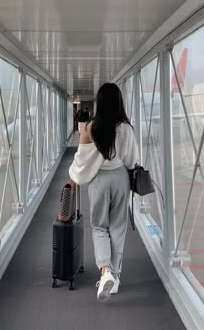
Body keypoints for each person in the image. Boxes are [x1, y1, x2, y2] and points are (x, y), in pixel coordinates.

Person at [69, 83, 139, 303]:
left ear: (99, 103)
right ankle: (115, 279)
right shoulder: (126, 128)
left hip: (99, 180)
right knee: (118, 227)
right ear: (119, 102)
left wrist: (74, 175)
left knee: (99, 226)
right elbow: (132, 160)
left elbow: (81, 158)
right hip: (120, 178)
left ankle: (105, 271)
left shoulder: (89, 128)